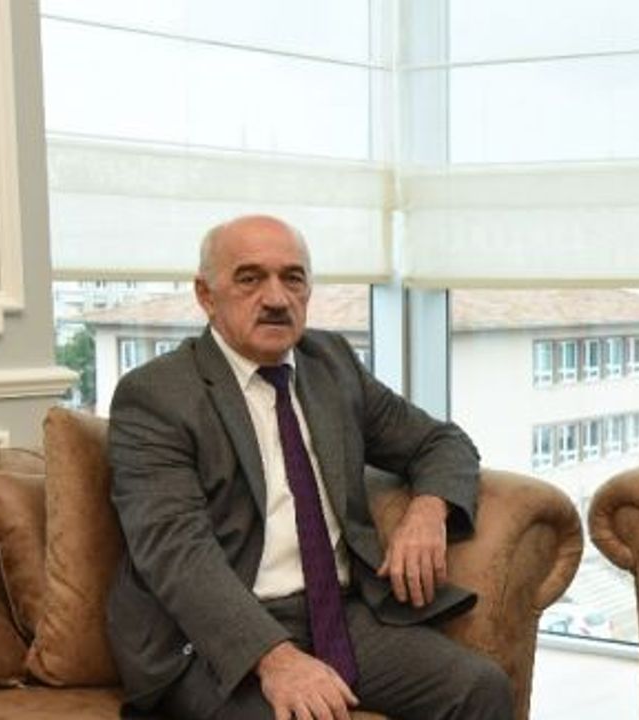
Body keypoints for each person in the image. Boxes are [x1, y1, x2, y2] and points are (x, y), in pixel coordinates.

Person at [105, 215, 513, 720]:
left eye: (292, 278)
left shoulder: (330, 363)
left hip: (337, 613)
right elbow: (177, 555)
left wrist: (428, 512)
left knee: (480, 688)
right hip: (209, 637)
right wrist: (275, 659)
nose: (277, 298)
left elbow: (440, 441)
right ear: (206, 295)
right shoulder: (157, 394)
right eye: (250, 278)